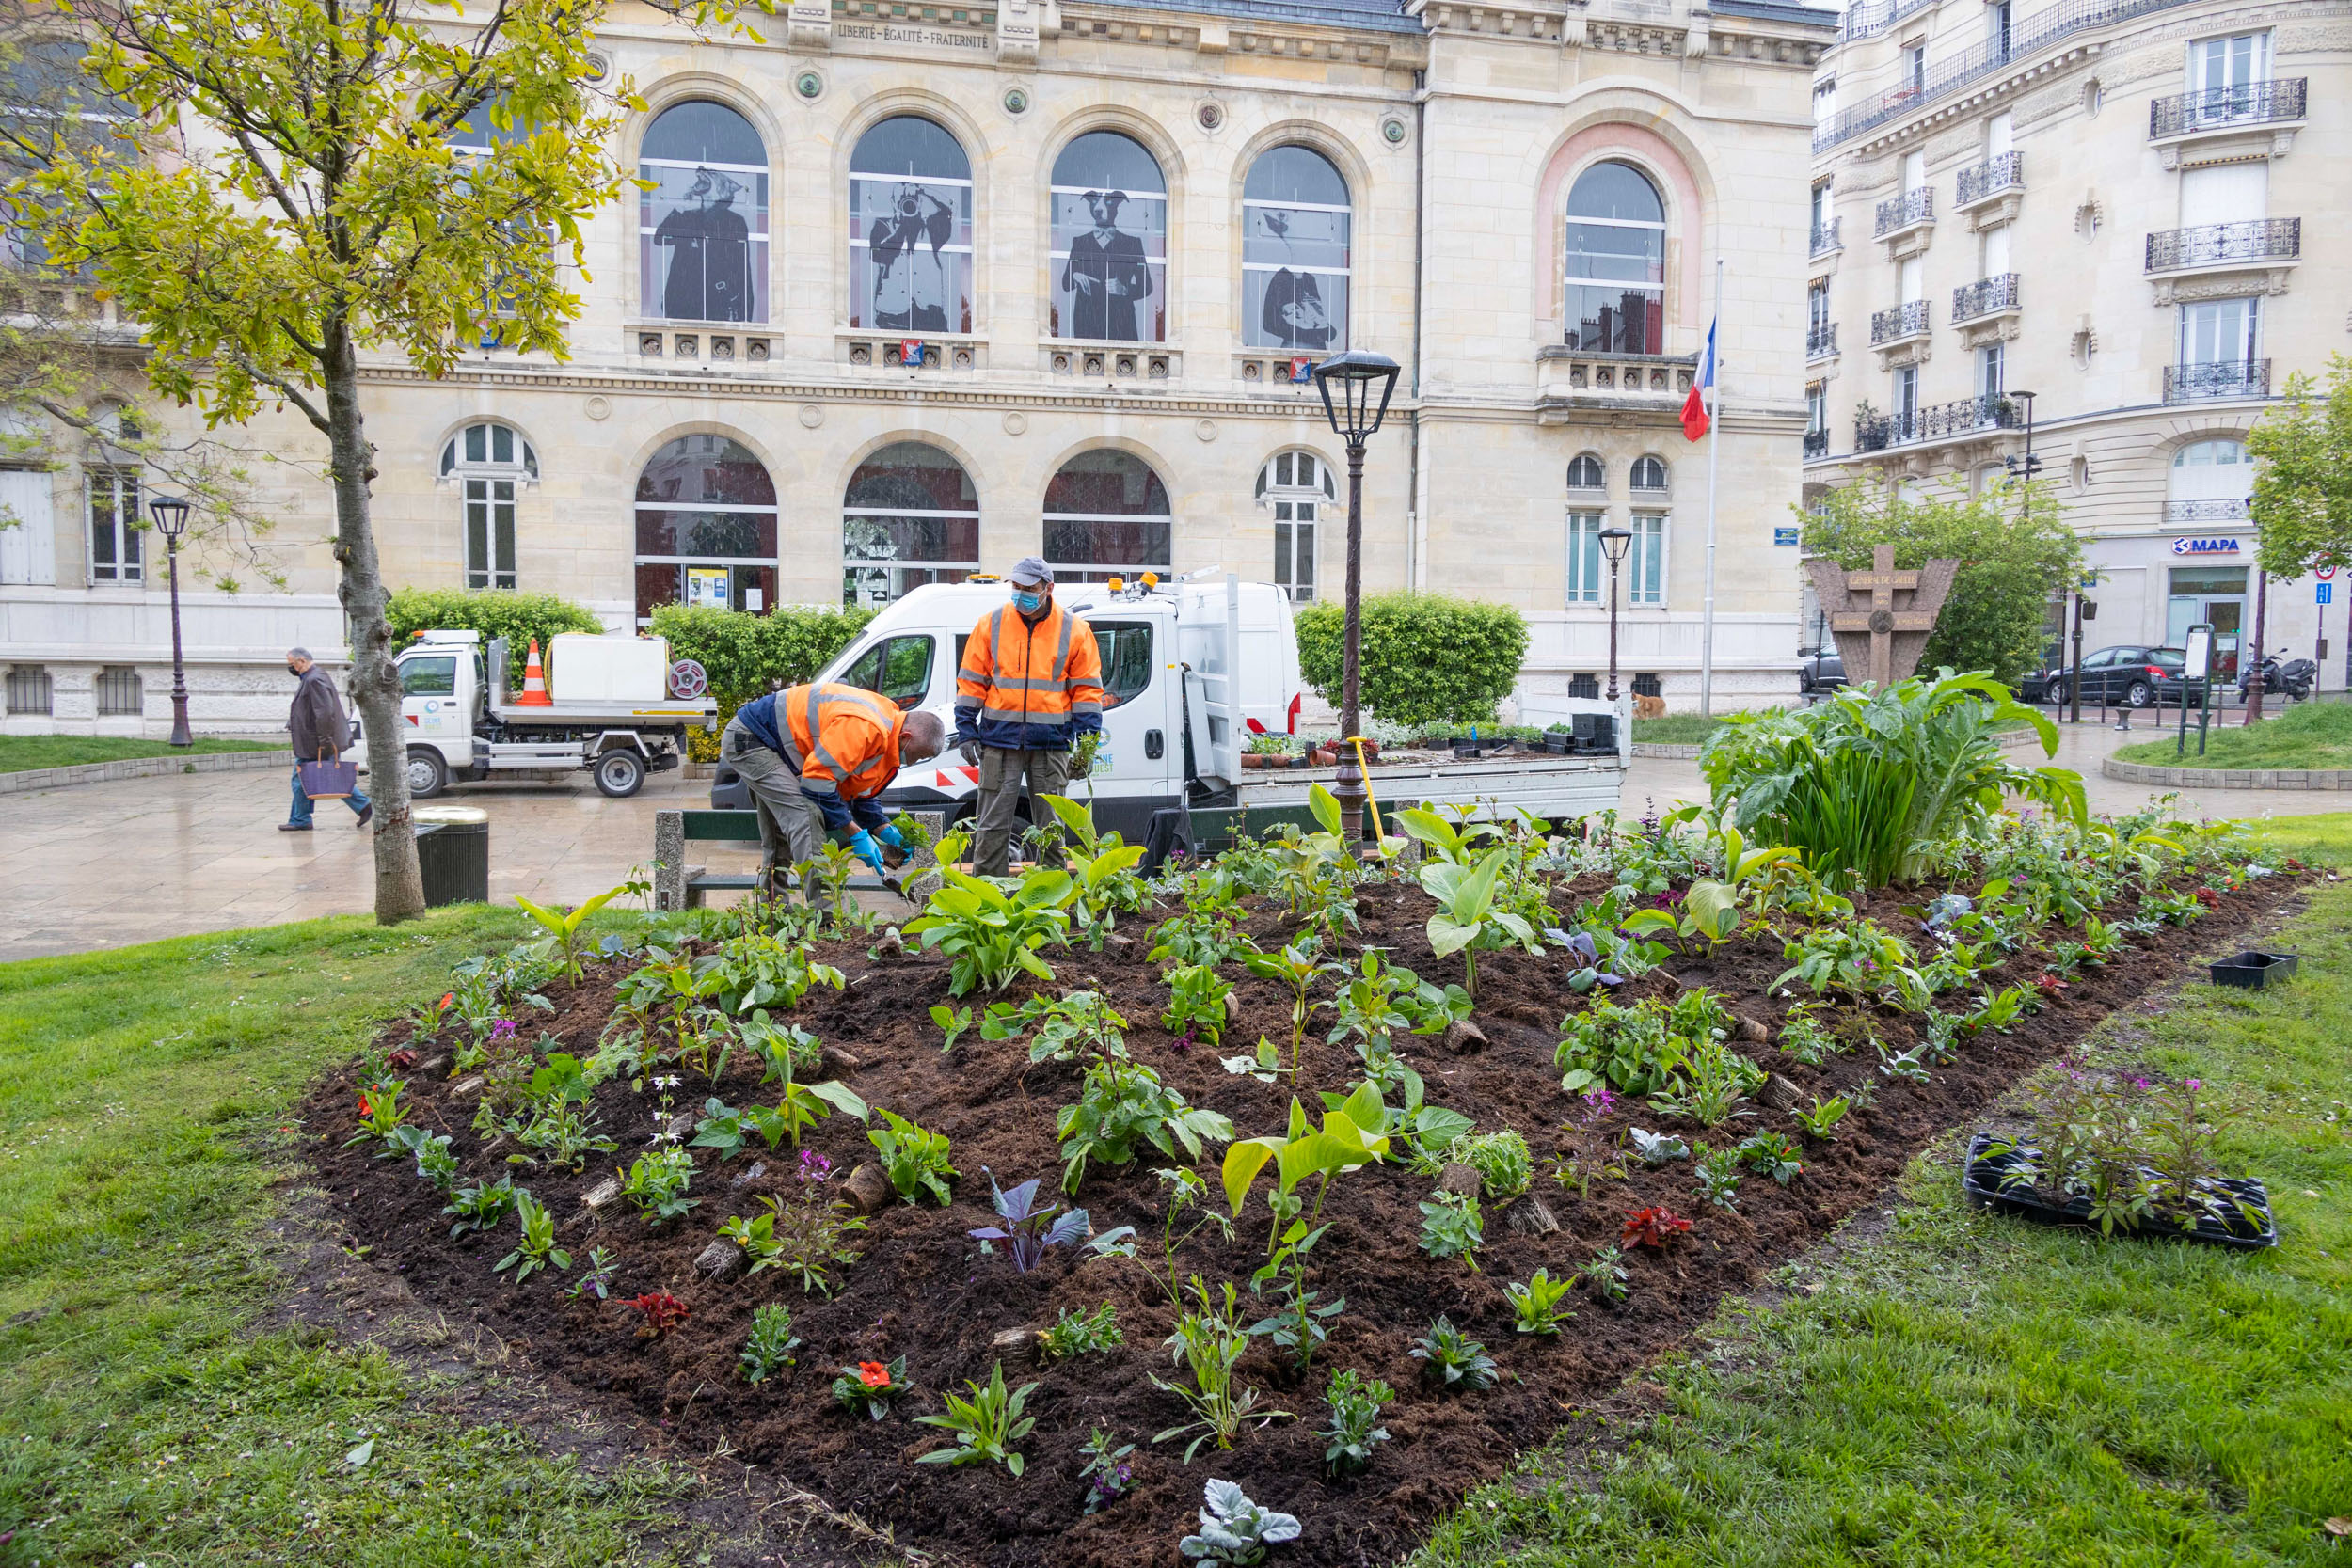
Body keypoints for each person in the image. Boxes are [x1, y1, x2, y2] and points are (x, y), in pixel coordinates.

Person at [722, 681, 946, 901]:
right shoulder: (866, 727)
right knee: (805, 816)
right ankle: (826, 917)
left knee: (782, 833)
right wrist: (855, 834)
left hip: (772, 745)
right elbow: (817, 783)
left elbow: (853, 788)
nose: (915, 761)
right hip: (752, 739)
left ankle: (773, 911)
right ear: (906, 737)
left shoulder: (887, 727)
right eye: (920, 755)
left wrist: (881, 827)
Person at [954, 558, 1106, 877]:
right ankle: (986, 903)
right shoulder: (991, 624)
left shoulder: (1075, 630)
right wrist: (966, 730)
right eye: (1016, 587)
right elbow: (971, 681)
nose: (1020, 594)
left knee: (1051, 832)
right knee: (991, 830)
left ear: (1048, 589)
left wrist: (1087, 743)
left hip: (1051, 746)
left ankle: (1048, 901)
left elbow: (1087, 691)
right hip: (999, 742)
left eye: (1029, 589)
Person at [283, 646, 370, 832]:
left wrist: (324, 742)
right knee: (327, 777)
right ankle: (362, 806)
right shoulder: (313, 676)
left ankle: (301, 819)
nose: (291, 668)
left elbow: (324, 713)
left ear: (302, 661)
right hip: (315, 741)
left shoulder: (314, 679)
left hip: (315, 743)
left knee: (302, 780)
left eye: (292, 664)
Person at [1060, 189, 1151, 341]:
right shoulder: (1080, 242)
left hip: (1121, 321)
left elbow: (1147, 286)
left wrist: (1125, 289)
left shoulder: (1132, 244)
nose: (1098, 208)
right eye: (1094, 202)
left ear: (1117, 206)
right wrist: (1075, 274)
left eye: (1108, 202)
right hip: (1087, 320)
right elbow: (1065, 285)